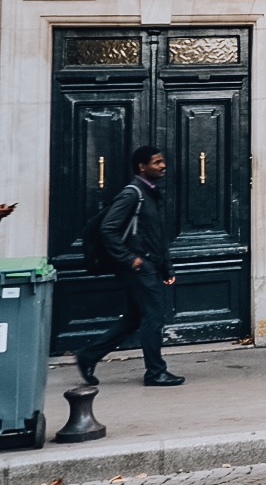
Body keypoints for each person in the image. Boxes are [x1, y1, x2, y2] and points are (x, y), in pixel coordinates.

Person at [77, 146, 183, 387]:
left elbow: (157, 236)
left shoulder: (151, 193)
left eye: (162, 161)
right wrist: (131, 259)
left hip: (148, 265)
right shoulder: (132, 194)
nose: (163, 165)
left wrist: (167, 267)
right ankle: (155, 372)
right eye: (157, 162)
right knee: (153, 318)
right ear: (142, 166)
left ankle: (89, 355)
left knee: (134, 319)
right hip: (138, 267)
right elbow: (108, 229)